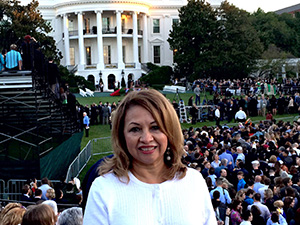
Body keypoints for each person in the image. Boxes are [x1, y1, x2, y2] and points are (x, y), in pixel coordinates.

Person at [83, 89, 217, 224]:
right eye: (135, 129)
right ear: (122, 136)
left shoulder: (194, 182)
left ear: (170, 131)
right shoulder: (104, 189)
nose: (146, 139)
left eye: (155, 127)